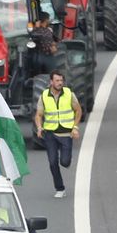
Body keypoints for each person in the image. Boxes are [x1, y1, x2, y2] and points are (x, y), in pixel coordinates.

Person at [33, 70, 82, 198]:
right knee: (52, 162)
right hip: (50, 134)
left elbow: (78, 111)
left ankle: (67, 159)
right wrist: (39, 127)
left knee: (64, 162)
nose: (60, 83)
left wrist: (75, 127)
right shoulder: (44, 96)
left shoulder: (69, 94)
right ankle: (60, 188)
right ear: (51, 82)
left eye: (61, 81)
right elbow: (38, 115)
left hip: (66, 133)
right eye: (57, 81)